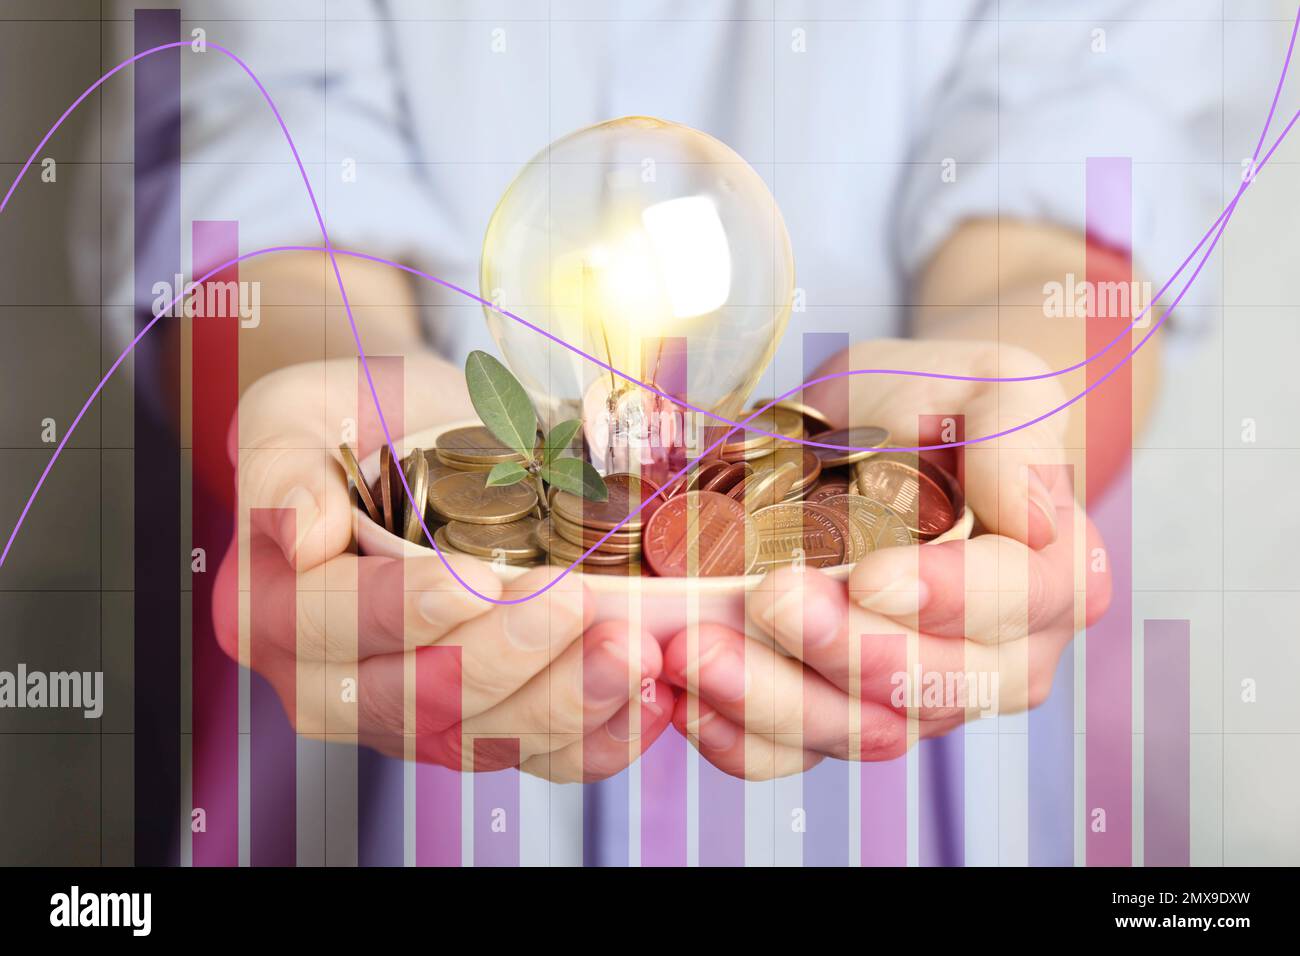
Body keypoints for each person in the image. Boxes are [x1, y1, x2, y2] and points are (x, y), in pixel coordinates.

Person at [96, 1, 1227, 865]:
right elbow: (266, 150)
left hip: (910, 742)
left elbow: (1076, 180)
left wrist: (1006, 414)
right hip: (401, 720)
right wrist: (327, 407)